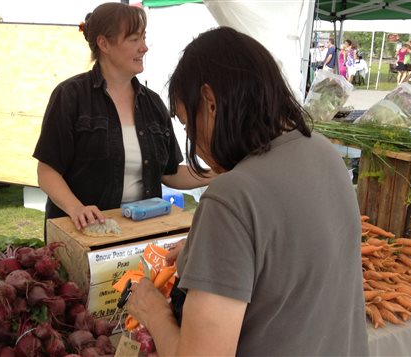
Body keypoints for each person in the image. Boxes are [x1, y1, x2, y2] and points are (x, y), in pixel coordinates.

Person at [126, 26, 369, 356]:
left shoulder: (232, 196)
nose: (194, 141)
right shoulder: (323, 152)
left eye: (186, 123)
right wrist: (207, 255)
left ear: (210, 103)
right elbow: (286, 266)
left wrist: (156, 315)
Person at [33, 3, 213, 232]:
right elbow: (47, 172)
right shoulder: (70, 96)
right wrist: (77, 209)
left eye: (144, 38)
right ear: (104, 43)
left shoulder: (153, 103)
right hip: (83, 234)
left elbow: (171, 173)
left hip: (139, 232)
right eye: (134, 39)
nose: (144, 48)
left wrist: (219, 173)